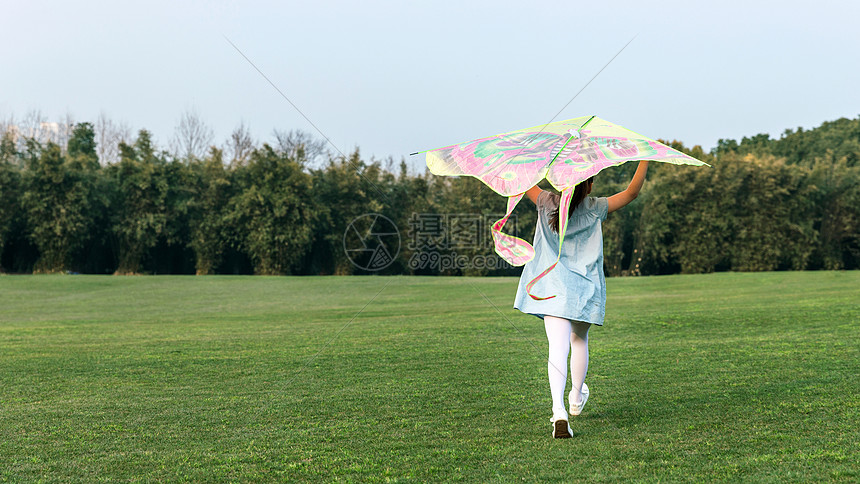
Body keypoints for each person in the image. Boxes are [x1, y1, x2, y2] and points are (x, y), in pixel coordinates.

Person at [513, 160, 650, 438]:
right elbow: (632, 192)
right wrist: (645, 156)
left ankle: (559, 412)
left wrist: (529, 157)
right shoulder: (596, 206)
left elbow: (521, 179)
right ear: (588, 185)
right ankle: (576, 397)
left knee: (557, 348)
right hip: (584, 289)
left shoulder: (544, 201)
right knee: (579, 341)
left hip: (551, 289)